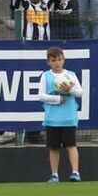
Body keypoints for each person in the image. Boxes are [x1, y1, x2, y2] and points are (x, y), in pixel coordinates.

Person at [38, 46, 83, 182]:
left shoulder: (71, 75)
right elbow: (41, 96)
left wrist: (70, 90)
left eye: (59, 59)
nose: (57, 63)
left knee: (71, 145)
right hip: (52, 118)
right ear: (48, 62)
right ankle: (54, 175)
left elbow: (80, 92)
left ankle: (75, 172)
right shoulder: (46, 76)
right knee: (54, 147)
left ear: (63, 60)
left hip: (69, 118)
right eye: (53, 60)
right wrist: (56, 99)